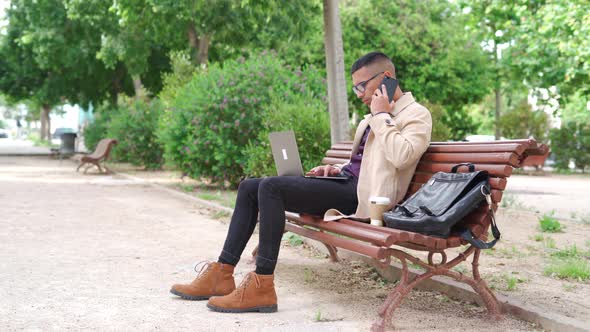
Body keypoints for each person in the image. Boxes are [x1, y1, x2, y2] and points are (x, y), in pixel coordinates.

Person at [170, 52, 432, 314]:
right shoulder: (374, 116)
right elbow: (364, 164)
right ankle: (222, 273)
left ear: (386, 78)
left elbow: (402, 156)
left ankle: (262, 285)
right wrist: (334, 169)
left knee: (271, 187)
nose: (360, 94)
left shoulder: (415, 114)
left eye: (362, 85)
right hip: (347, 184)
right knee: (250, 186)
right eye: (355, 88)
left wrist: (381, 116)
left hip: (366, 199)